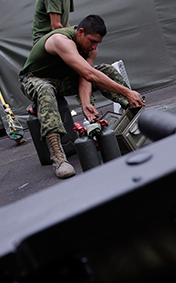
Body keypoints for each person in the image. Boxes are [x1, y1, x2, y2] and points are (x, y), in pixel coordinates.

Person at [19, 15, 145, 179]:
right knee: (45, 90)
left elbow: (85, 77)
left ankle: (138, 118)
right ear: (81, 32)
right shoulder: (61, 40)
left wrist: (85, 103)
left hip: (62, 81)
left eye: (97, 43)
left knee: (106, 70)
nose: (94, 47)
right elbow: (89, 74)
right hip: (35, 80)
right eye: (92, 41)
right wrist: (127, 92)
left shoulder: (90, 47)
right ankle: (58, 158)